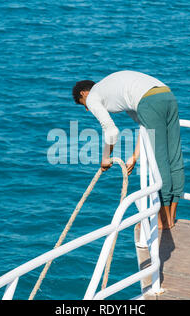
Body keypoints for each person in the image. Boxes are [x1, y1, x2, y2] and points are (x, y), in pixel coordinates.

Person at [72, 70, 184, 229]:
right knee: (174, 156)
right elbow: (144, 126)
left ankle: (164, 221)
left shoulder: (92, 97)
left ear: (84, 93)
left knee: (160, 161)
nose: (87, 109)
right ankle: (171, 217)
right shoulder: (115, 91)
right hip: (166, 94)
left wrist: (105, 158)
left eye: (82, 103)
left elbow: (111, 131)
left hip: (149, 100)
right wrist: (134, 157)